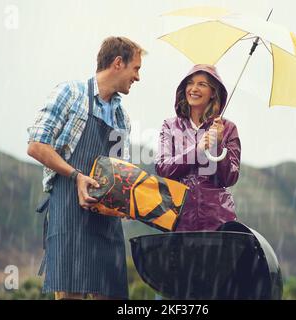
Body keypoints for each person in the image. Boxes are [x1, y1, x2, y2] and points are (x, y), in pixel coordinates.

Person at [27, 36, 145, 300]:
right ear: (118, 63)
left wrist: (126, 200)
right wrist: (76, 176)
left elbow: (118, 168)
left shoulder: (120, 117)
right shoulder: (71, 94)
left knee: (111, 293)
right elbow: (36, 145)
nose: (137, 77)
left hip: (105, 218)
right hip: (69, 207)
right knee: (71, 294)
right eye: (135, 68)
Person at [155, 64, 241, 231]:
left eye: (202, 84)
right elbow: (163, 168)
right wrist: (198, 150)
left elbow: (229, 177)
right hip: (178, 220)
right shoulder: (170, 126)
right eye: (190, 83)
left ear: (213, 93)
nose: (194, 89)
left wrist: (217, 146)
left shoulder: (228, 128)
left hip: (217, 221)